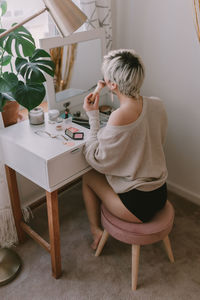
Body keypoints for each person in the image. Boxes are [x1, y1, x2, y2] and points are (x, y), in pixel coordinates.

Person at [82, 49, 168, 250]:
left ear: (112, 84)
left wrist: (93, 117)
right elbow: (152, 144)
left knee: (88, 177)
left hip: (137, 205)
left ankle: (95, 230)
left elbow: (97, 160)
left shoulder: (119, 116)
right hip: (160, 192)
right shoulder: (158, 104)